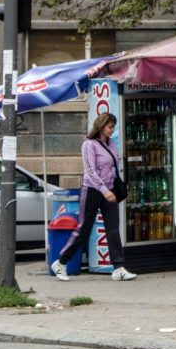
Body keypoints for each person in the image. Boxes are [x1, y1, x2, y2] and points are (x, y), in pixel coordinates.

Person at [50, 113, 137, 281]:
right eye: (109, 126)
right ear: (101, 126)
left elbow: (113, 166)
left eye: (113, 126)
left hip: (109, 190)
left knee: (113, 228)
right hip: (92, 190)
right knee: (84, 229)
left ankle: (118, 268)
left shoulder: (111, 143)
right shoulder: (89, 144)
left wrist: (113, 185)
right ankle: (60, 263)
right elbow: (90, 171)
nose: (112, 130)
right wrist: (104, 190)